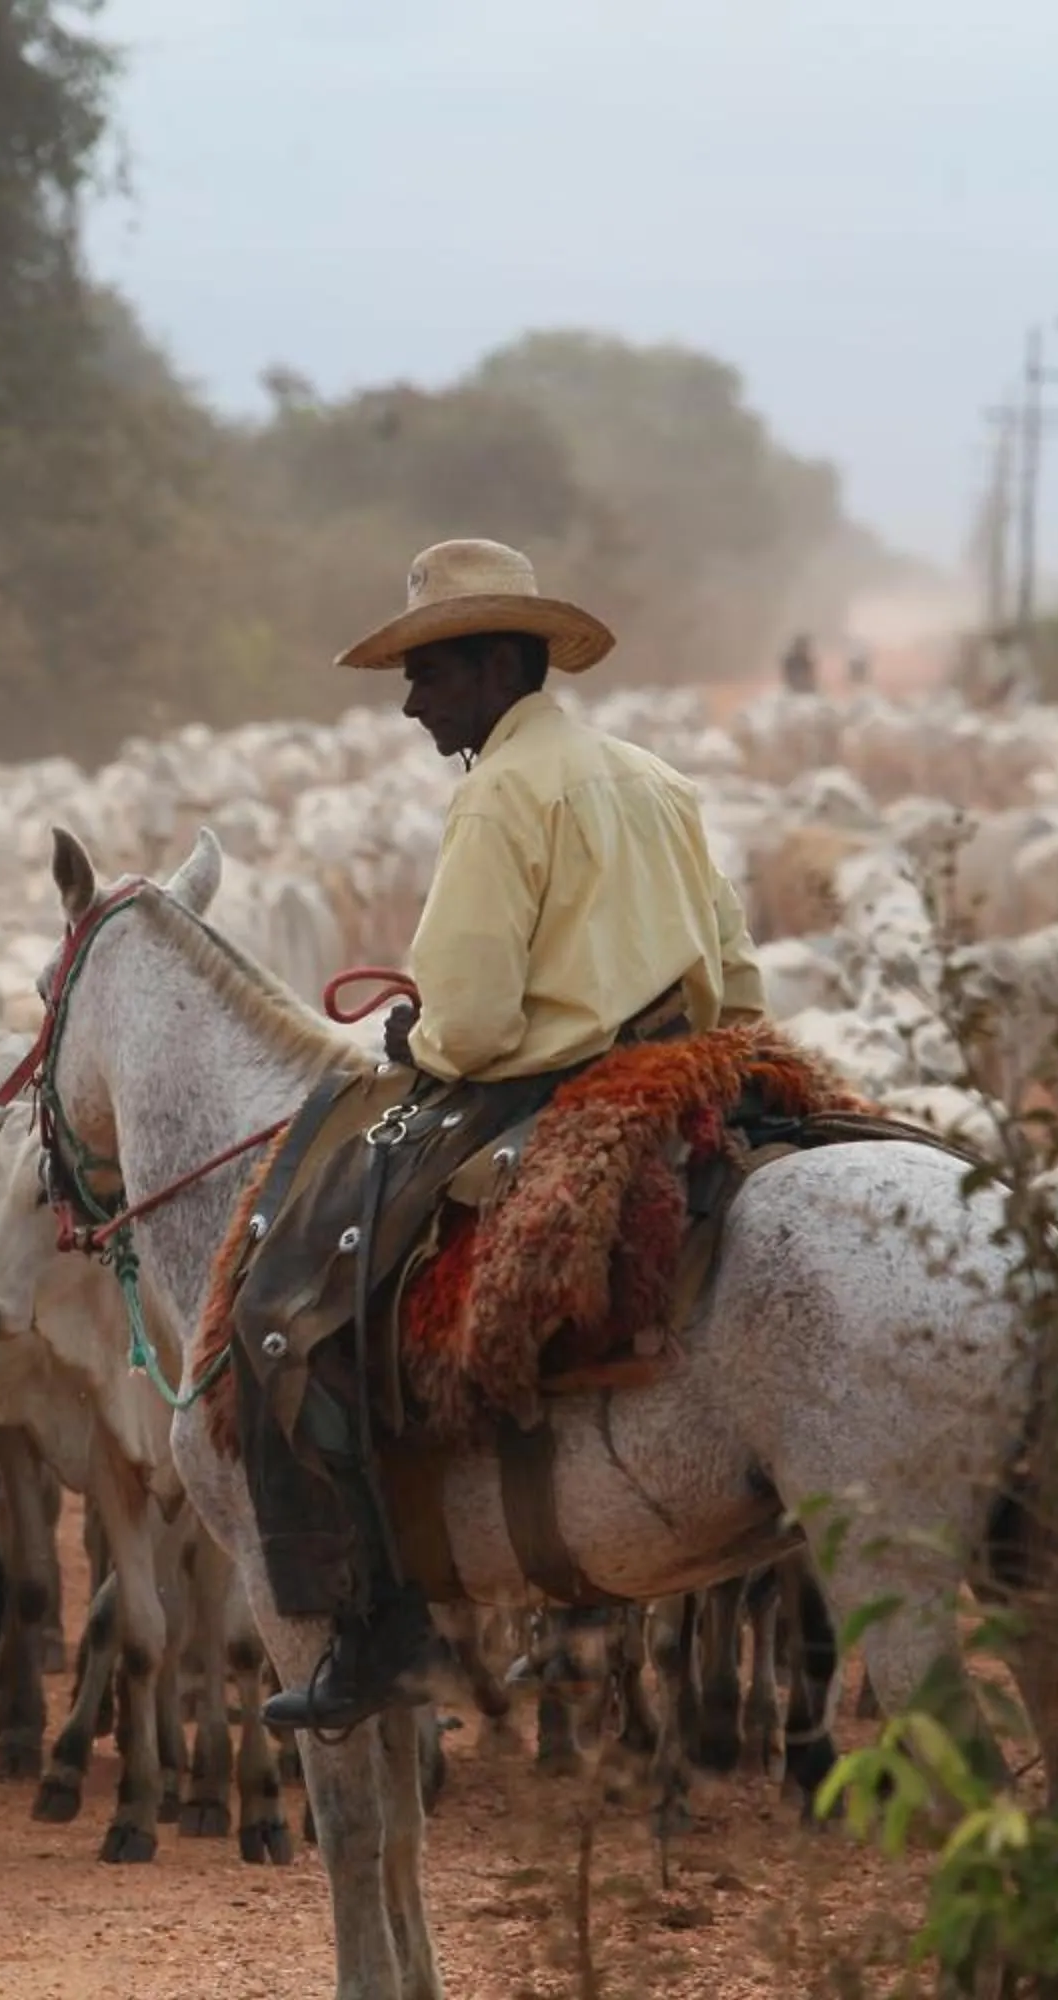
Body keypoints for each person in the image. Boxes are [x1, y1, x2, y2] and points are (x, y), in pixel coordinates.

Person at [254, 537, 768, 1735]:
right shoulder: (657, 778)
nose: (412, 702)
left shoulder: (499, 794)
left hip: (545, 1087)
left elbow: (476, 1024)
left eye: (429, 673)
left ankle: (374, 1626)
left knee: (299, 1305)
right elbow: (739, 978)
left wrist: (415, 1038)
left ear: (496, 667)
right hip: (684, 1070)